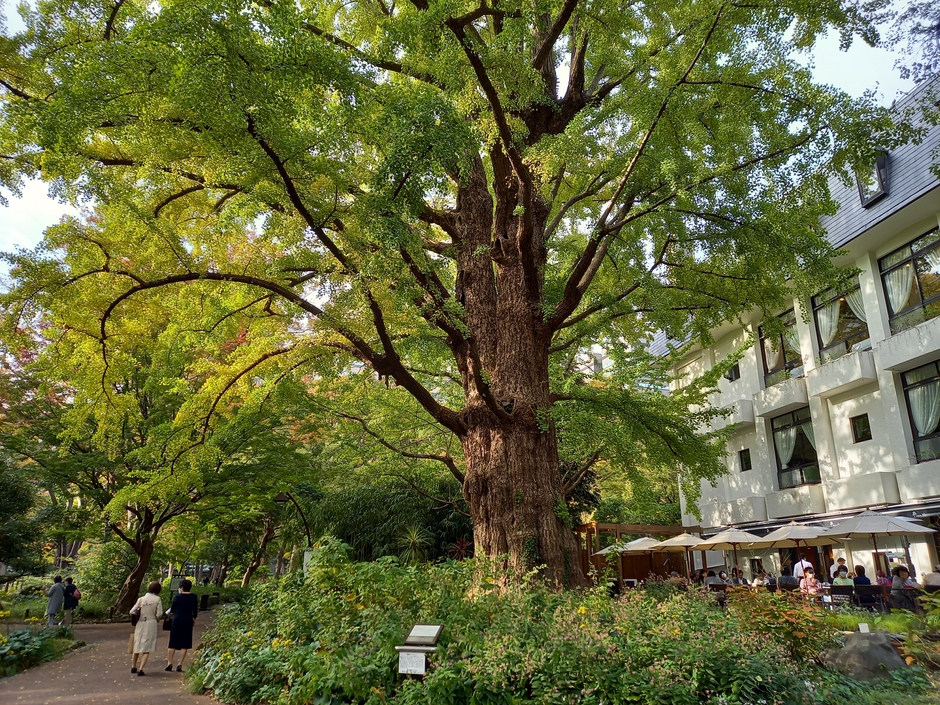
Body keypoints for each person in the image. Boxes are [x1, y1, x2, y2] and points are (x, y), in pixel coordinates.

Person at [130, 581, 165, 676]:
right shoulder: (157, 599)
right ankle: (141, 669)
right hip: (151, 623)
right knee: (147, 647)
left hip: (140, 623)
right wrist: (156, 618)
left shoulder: (141, 599)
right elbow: (159, 614)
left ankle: (133, 666)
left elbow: (131, 611)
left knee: (137, 644)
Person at [165, 579, 199, 673]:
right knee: (185, 642)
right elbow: (195, 610)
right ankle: (180, 664)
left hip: (177, 620)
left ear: (182, 588)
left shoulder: (177, 597)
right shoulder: (194, 597)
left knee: (172, 641)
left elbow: (173, 609)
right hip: (188, 619)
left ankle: (169, 663)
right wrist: (194, 619)